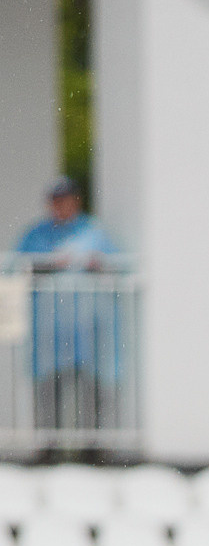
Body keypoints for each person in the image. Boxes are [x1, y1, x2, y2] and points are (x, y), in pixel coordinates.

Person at [13, 179, 122, 433]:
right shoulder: (37, 234)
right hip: (49, 332)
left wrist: (95, 266)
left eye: (66, 200)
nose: (61, 206)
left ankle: (94, 446)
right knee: (49, 389)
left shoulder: (93, 232)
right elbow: (18, 265)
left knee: (92, 388)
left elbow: (114, 264)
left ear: (77, 201)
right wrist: (51, 264)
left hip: (88, 330)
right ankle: (48, 445)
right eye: (56, 201)